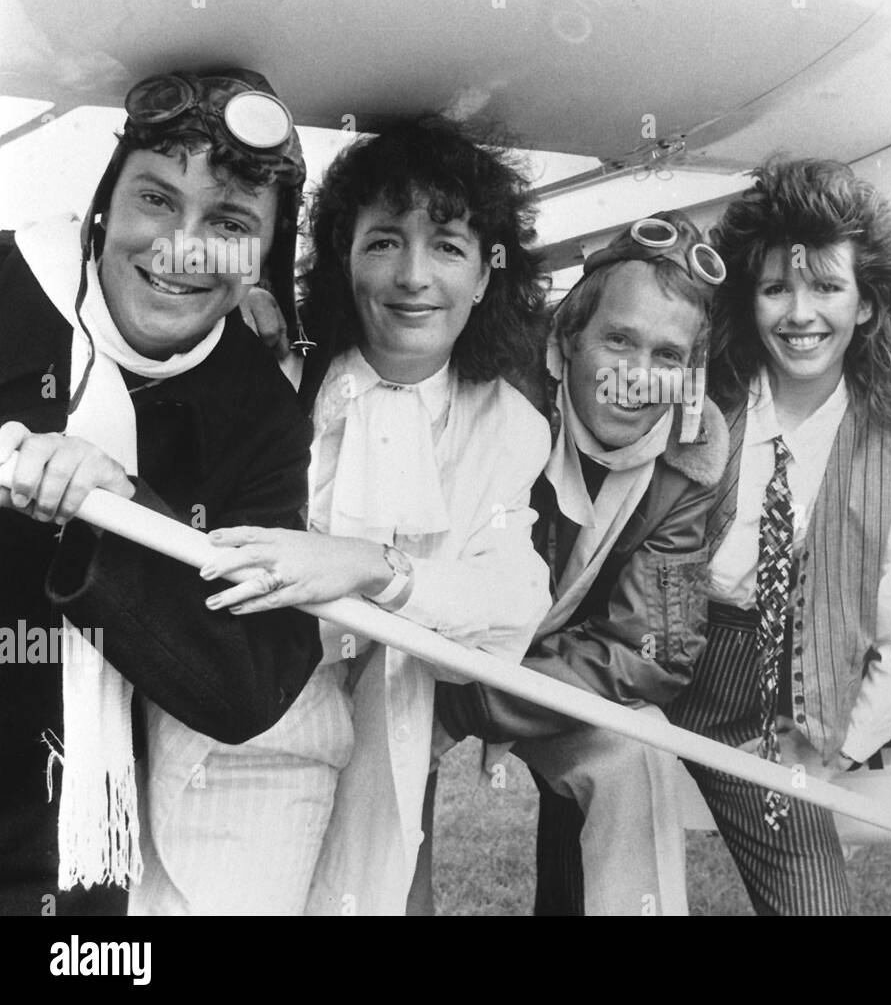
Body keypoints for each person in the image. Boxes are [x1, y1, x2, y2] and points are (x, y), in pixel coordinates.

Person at [132, 119, 553, 916]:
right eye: (384, 241)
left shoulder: (509, 426)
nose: (413, 277)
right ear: (344, 255)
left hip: (384, 736)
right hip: (249, 736)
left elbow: (506, 612)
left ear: (489, 275)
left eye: (450, 247)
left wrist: (370, 568)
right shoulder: (278, 371)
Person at [537, 157, 891, 915]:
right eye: (777, 288)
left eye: (828, 288)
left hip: (768, 710)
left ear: (869, 304)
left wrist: (836, 741)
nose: (800, 314)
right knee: (585, 868)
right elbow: (586, 391)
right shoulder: (697, 400)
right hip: (644, 666)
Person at [0, 68, 322, 915]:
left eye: (227, 223)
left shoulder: (260, 412)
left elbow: (248, 687)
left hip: (81, 845)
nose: (181, 248)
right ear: (105, 203)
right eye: (156, 199)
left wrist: (121, 511)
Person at [433, 210, 728, 916]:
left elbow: (651, 652)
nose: (637, 378)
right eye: (619, 340)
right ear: (566, 340)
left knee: (639, 748)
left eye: (667, 357)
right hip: (421, 641)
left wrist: (485, 700)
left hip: (540, 670)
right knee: (381, 835)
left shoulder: (694, 454)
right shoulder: (496, 388)